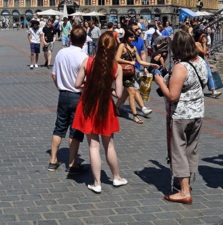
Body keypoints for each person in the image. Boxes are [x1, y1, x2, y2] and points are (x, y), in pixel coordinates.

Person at [153, 31, 207, 205]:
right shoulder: (201, 62)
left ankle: (184, 191)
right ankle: (186, 183)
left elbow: (172, 96)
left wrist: (160, 82)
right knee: (191, 149)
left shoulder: (180, 67)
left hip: (182, 114)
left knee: (179, 151)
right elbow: (203, 83)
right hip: (197, 113)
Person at [72, 33, 127, 193]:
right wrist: (107, 87)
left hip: (88, 105)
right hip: (105, 106)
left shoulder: (87, 61)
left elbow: (76, 84)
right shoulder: (117, 67)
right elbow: (118, 93)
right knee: (109, 144)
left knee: (93, 146)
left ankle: (97, 183)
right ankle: (116, 178)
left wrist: (89, 83)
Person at [48, 25, 88, 174]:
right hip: (78, 96)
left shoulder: (61, 53)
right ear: (84, 41)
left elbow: (54, 75)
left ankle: (53, 161)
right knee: (75, 130)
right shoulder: (84, 57)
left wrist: (60, 87)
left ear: (70, 38)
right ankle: (72, 163)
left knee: (59, 127)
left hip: (63, 94)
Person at [115, 28, 158, 124]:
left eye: (134, 37)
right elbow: (116, 58)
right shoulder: (122, 45)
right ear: (126, 37)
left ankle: (116, 107)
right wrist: (129, 62)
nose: (132, 39)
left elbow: (140, 61)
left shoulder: (133, 48)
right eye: (131, 37)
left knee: (126, 93)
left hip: (131, 73)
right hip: (124, 73)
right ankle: (135, 116)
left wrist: (151, 65)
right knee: (132, 93)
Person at [194, 30, 221, 98]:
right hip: (199, 62)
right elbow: (203, 52)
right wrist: (204, 43)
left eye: (204, 36)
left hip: (204, 61)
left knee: (209, 75)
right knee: (202, 77)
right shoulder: (196, 44)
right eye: (202, 36)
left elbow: (205, 54)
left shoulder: (201, 43)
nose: (204, 38)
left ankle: (213, 91)